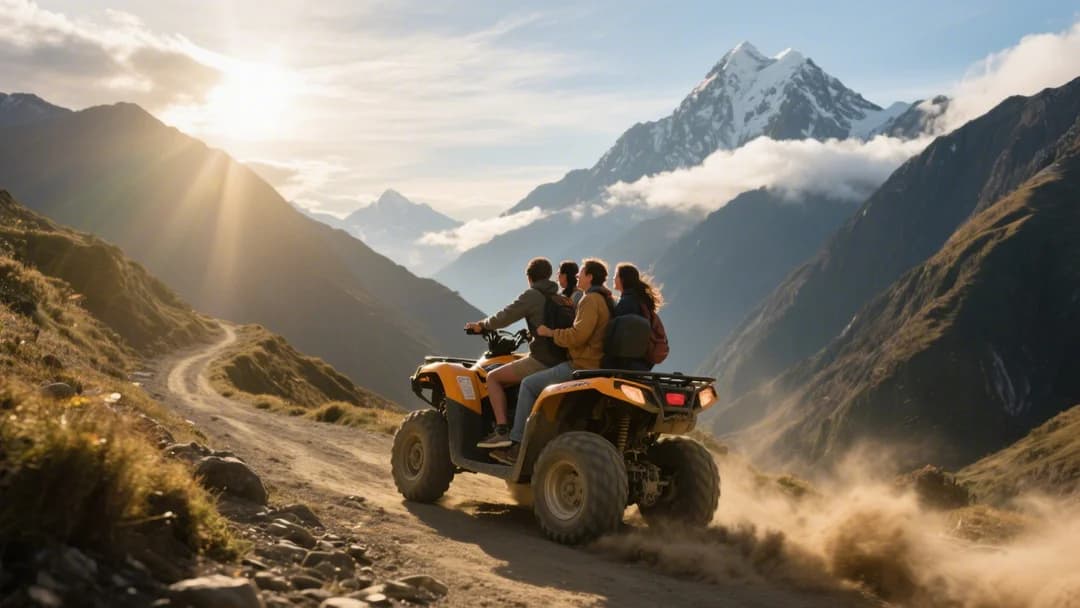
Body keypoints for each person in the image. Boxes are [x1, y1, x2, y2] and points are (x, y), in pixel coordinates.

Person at [490, 258, 614, 465]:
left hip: (582, 365)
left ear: (590, 276)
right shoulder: (604, 299)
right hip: (597, 363)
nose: (578, 276)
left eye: (582, 273)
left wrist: (550, 333)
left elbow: (577, 336)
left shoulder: (590, 299)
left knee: (527, 384)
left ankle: (515, 443)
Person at [465, 257, 561, 449]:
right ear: (549, 276)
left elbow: (506, 316)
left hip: (542, 360)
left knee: (492, 378)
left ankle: (501, 431)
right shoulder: (560, 297)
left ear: (529, 278)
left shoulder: (533, 295)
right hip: (561, 360)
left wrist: (481, 325)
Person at [605, 262, 665, 371]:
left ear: (623, 279)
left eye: (616, 275)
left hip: (627, 364)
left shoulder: (627, 303)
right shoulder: (640, 300)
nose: (613, 278)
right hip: (642, 362)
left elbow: (617, 332)